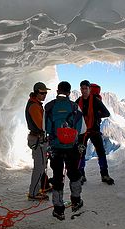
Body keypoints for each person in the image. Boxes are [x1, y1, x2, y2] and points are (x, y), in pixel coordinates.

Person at [45, 81, 87, 220]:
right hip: (72, 148)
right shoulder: (75, 107)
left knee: (57, 177)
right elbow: (82, 130)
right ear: (69, 92)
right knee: (74, 174)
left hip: (56, 147)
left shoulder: (49, 107)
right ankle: (76, 201)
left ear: (57, 91)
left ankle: (58, 209)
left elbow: (45, 128)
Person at [76, 80, 114, 185]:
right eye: (82, 88)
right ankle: (81, 174)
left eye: (86, 88)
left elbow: (107, 113)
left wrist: (96, 115)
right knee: (81, 153)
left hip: (94, 130)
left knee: (101, 152)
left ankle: (104, 174)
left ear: (89, 89)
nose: (84, 91)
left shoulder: (96, 101)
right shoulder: (78, 101)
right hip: (83, 131)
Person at [25, 82, 51, 201]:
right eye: (42, 93)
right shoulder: (34, 106)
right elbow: (41, 125)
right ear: (36, 93)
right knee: (39, 167)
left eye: (46, 92)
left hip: (37, 138)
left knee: (41, 164)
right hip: (38, 139)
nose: (44, 95)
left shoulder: (35, 104)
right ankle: (34, 193)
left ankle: (41, 186)